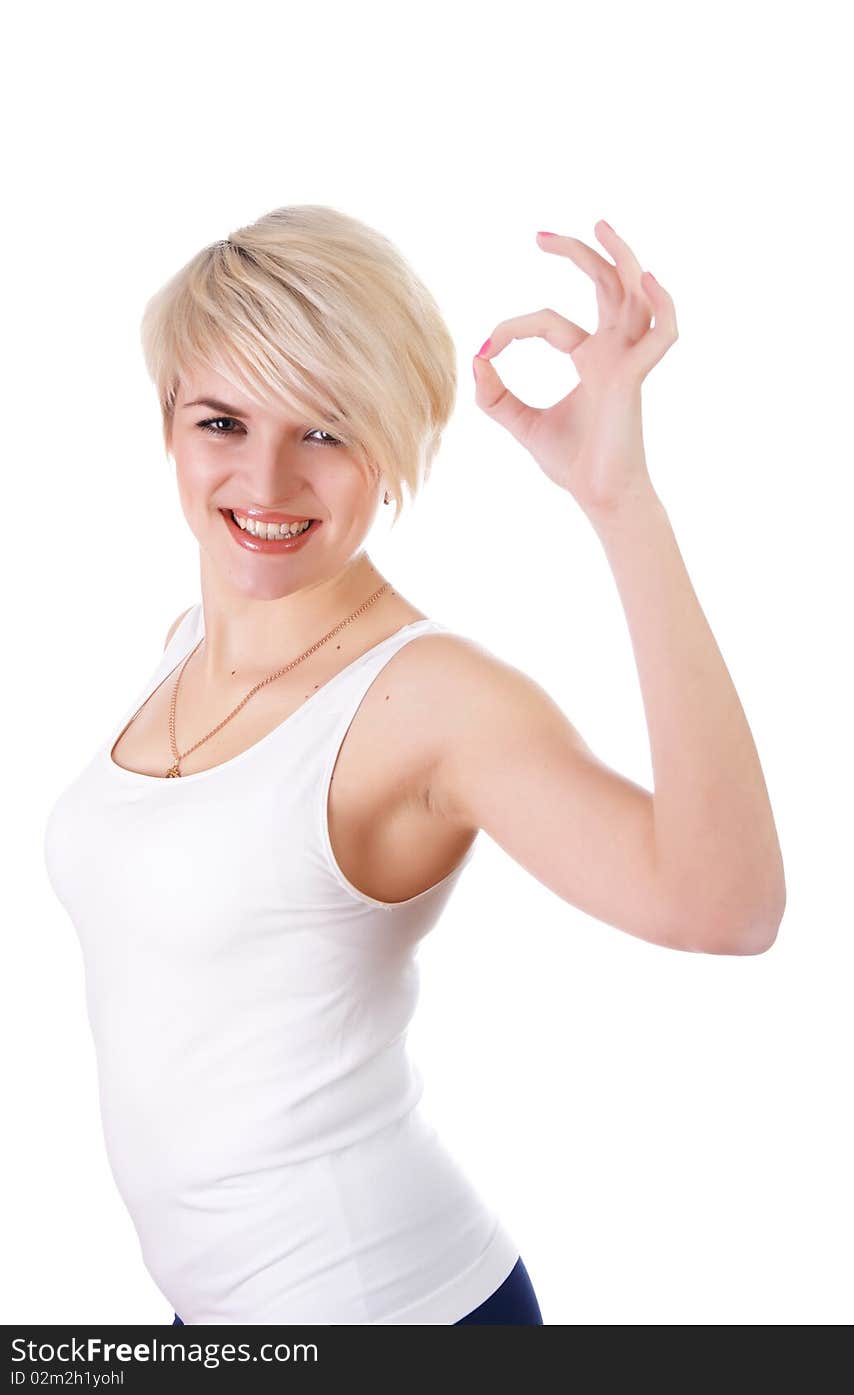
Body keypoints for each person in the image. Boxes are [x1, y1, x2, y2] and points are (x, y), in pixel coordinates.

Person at [43, 204, 785, 1326]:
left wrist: (617, 502)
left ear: (394, 439)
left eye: (327, 430)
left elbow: (725, 908)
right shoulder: (179, 648)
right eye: (222, 421)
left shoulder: (426, 698)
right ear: (168, 424)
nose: (267, 480)